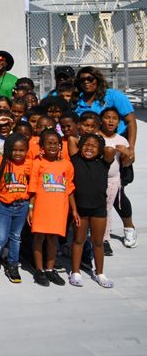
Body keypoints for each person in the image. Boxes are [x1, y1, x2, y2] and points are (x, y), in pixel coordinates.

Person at [28, 129, 75, 287]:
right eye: (49, 143)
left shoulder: (67, 165)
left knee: (53, 238)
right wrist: (31, 208)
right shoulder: (38, 163)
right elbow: (33, 188)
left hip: (58, 208)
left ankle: (50, 269)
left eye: (56, 143)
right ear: (42, 146)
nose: (53, 146)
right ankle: (39, 270)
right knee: (39, 237)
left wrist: (74, 210)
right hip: (42, 207)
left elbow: (69, 189)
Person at [0, 133, 31, 285]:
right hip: (3, 205)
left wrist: (30, 204)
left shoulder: (29, 164)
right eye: (14, 150)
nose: (18, 153)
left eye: (21, 150)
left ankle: (12, 265)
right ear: (8, 149)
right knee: (0, 238)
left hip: (21, 205)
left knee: (16, 237)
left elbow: (33, 183)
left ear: (27, 150)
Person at [70, 133, 114, 288]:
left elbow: (109, 150)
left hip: (99, 208)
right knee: (79, 240)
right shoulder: (76, 160)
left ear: (100, 150)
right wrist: (85, 141)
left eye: (94, 146)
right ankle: (75, 272)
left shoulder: (103, 162)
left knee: (98, 242)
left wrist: (99, 142)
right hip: (80, 209)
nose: (89, 148)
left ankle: (100, 273)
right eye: (86, 145)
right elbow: (71, 139)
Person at [99, 108, 136, 253]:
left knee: (107, 210)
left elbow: (126, 163)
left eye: (114, 118)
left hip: (113, 180)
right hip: (96, 179)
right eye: (107, 117)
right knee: (97, 210)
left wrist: (127, 153)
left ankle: (105, 239)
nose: (111, 121)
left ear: (119, 122)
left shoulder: (122, 140)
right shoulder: (95, 136)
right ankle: (94, 237)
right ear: (101, 120)